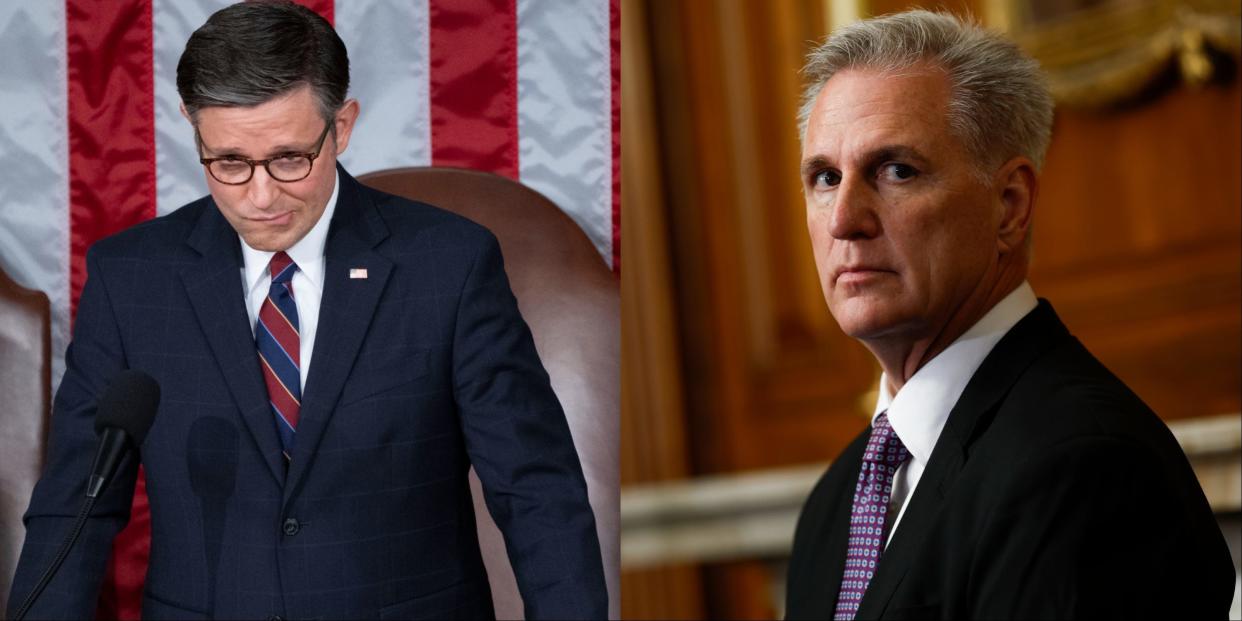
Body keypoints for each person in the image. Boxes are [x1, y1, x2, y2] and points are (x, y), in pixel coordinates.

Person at [7, 2, 606, 619]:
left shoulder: (448, 265)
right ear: (192, 126)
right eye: (230, 162)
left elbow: (536, 491)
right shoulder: (131, 278)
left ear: (341, 127)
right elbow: (75, 505)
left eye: (290, 158)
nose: (261, 196)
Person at [785, 10, 1234, 620]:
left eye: (896, 170)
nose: (844, 220)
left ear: (1009, 205)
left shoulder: (1081, 466)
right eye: (825, 177)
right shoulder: (834, 502)